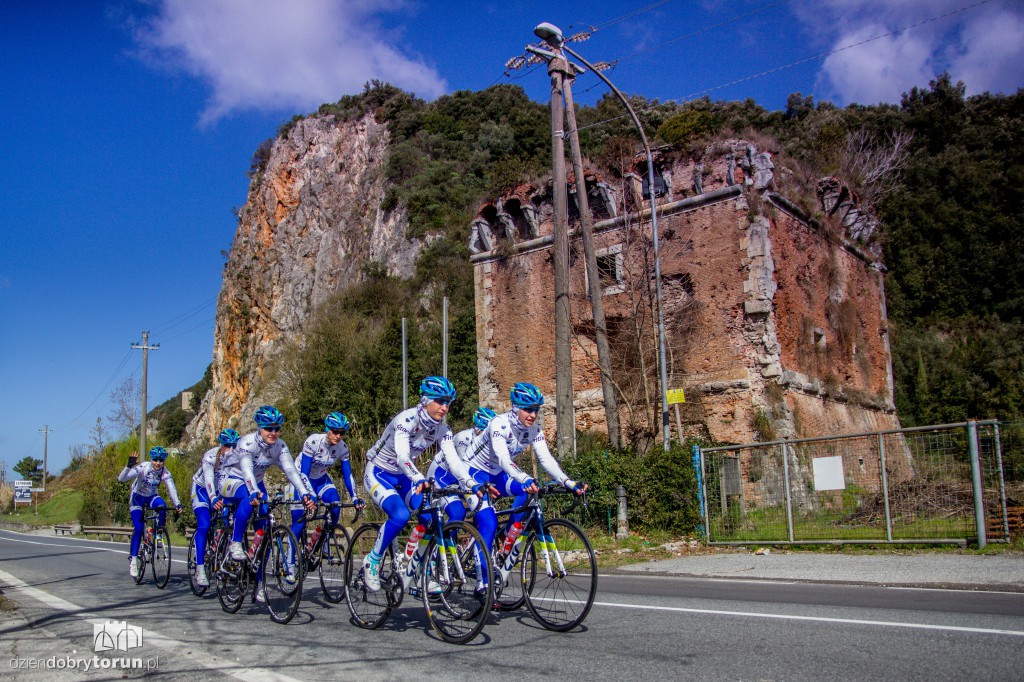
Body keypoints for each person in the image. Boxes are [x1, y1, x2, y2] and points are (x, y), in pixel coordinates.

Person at [360, 376, 480, 591]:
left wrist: (470, 483)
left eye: (448, 403)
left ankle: (424, 572)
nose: (445, 407)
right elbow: (402, 457)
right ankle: (373, 560)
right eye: (441, 401)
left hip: (405, 478)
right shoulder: (406, 420)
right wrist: (419, 478)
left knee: (431, 518)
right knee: (400, 515)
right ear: (426, 400)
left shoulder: (442, 429)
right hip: (379, 472)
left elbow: (453, 460)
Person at [462, 381, 587, 555]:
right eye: (528, 410)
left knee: (528, 491)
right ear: (515, 408)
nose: (533, 415)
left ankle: (507, 536)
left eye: (536, 410)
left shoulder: (534, 430)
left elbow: (547, 460)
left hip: (497, 475)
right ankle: (484, 581)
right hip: (473, 473)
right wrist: (524, 477)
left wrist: (568, 482)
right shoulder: (499, 423)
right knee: (488, 524)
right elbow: (503, 458)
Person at [219, 406, 316, 575]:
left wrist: (304, 492)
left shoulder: (280, 446)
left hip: (256, 482)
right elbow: (247, 470)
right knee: (247, 496)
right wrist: (253, 491)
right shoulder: (247, 442)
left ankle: (258, 582)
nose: (273, 432)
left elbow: (291, 471)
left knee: (265, 528)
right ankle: (235, 542)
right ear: (259, 428)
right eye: (268, 428)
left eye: (277, 429)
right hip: (232, 478)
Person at [290, 412, 365, 544]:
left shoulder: (342, 448)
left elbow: (347, 475)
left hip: (320, 479)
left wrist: (355, 497)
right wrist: (310, 494)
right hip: (301, 479)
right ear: (327, 429)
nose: (338, 436)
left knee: (335, 505)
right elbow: (304, 474)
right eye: (335, 431)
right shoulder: (313, 442)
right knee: (299, 522)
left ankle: (321, 542)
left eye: (341, 433)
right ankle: (289, 562)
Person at [118, 446, 183, 579]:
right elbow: (121, 479)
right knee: (138, 527)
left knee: (162, 506)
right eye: (155, 460)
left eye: (161, 460)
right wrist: (128, 467)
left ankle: (158, 533)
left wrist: (177, 504)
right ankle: (134, 560)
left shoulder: (165, 472)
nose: (158, 462)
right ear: (151, 459)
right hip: (137, 498)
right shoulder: (143, 467)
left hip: (152, 496)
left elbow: (172, 488)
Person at [427, 406, 499, 525]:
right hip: (441, 476)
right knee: (458, 513)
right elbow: (463, 468)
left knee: (484, 514)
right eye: (484, 433)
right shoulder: (463, 439)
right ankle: (447, 541)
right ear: (476, 429)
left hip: (461, 479)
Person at [188, 428, 241, 587]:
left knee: (232, 521)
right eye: (227, 445)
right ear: (220, 445)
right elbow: (209, 479)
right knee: (204, 524)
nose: (230, 449)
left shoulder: (239, 456)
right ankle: (200, 568)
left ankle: (226, 559)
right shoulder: (211, 456)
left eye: (234, 445)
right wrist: (212, 497)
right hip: (203, 490)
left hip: (222, 491)